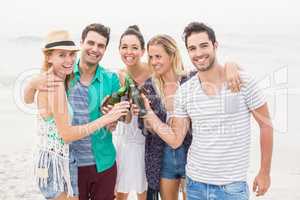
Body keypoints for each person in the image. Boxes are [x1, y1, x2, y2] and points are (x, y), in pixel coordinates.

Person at [141, 22, 273, 200]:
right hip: (195, 184)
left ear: (215, 45)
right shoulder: (185, 92)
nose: (198, 53)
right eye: (192, 48)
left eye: (204, 46)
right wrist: (148, 113)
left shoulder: (242, 82)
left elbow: (266, 125)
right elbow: (175, 140)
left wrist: (264, 172)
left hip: (232, 187)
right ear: (187, 52)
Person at [24, 23, 124, 200]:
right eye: (62, 55)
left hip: (88, 162)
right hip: (62, 163)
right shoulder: (57, 82)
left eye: (71, 54)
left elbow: (122, 118)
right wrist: (32, 84)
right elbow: (66, 134)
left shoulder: (107, 78)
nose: (69, 59)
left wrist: (113, 120)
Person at [139, 34, 242, 200]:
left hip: (192, 156)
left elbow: (219, 71)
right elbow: (146, 130)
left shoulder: (193, 79)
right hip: (162, 156)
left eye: (158, 56)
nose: (153, 62)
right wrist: (144, 115)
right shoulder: (149, 87)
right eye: (150, 57)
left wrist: (231, 65)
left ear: (172, 55)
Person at [112, 25, 150, 200]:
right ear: (119, 49)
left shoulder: (153, 71)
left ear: (142, 50)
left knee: (144, 191)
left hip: (147, 140)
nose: (129, 52)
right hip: (125, 139)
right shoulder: (118, 76)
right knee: (121, 192)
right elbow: (120, 117)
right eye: (124, 47)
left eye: (135, 47)